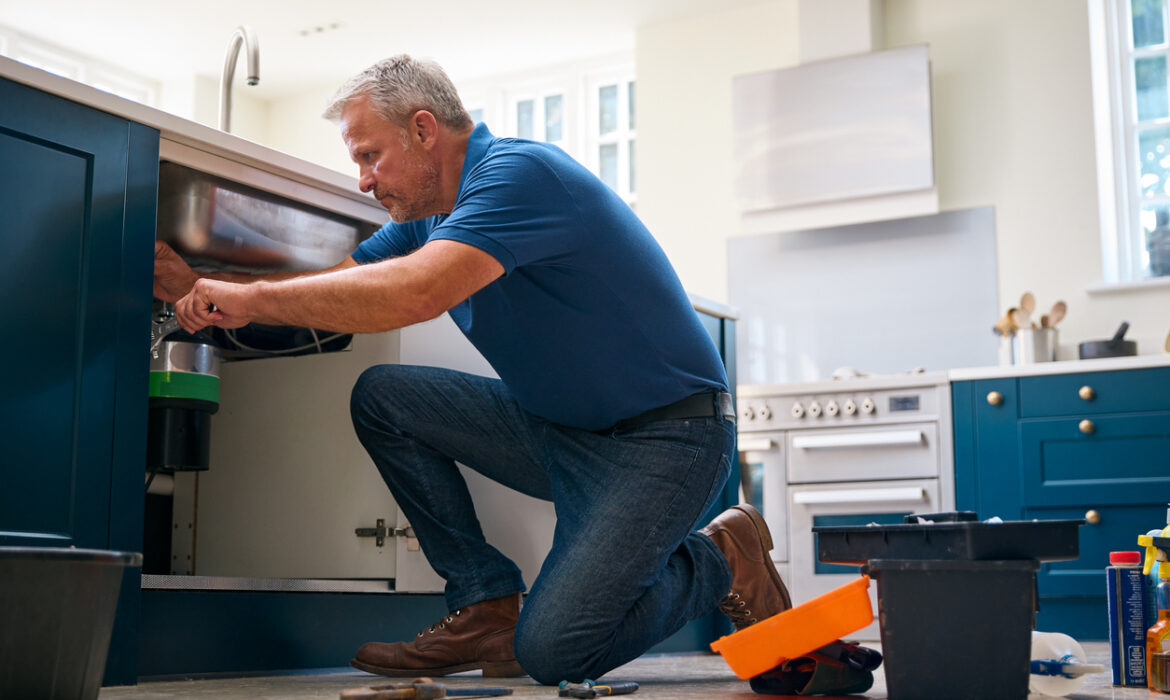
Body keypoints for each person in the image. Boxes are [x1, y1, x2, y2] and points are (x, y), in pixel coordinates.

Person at [154, 54, 792, 686]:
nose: (364, 182)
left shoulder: (521, 175)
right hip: (562, 434)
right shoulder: (427, 220)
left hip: (667, 440)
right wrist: (205, 288)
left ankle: (723, 554)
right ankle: (484, 601)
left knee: (552, 654)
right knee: (386, 398)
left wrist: (252, 296)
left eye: (370, 155)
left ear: (424, 130)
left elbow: (414, 295)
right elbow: (337, 297)